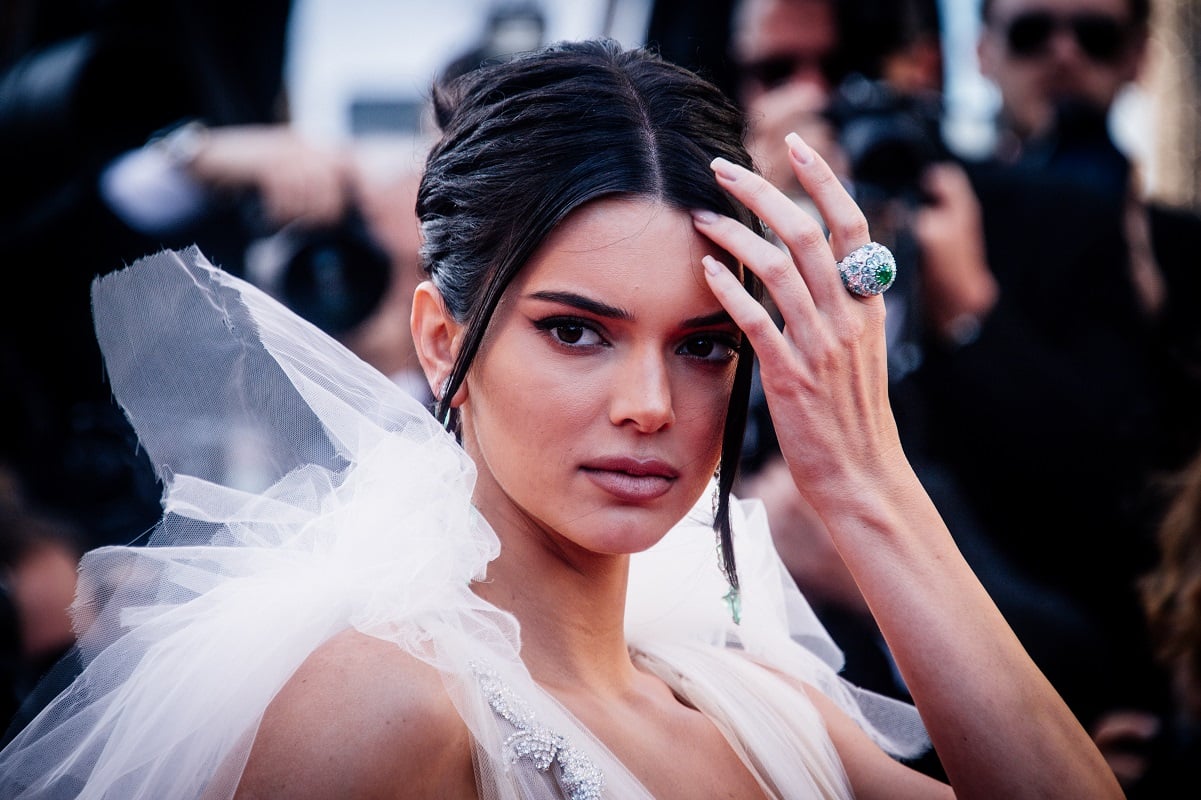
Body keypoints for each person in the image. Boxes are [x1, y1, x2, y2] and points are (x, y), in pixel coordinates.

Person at [0, 39, 1123, 799]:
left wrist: (870, 487)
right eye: (577, 330)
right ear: (442, 340)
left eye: (703, 344)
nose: (648, 406)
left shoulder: (754, 700)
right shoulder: (378, 709)